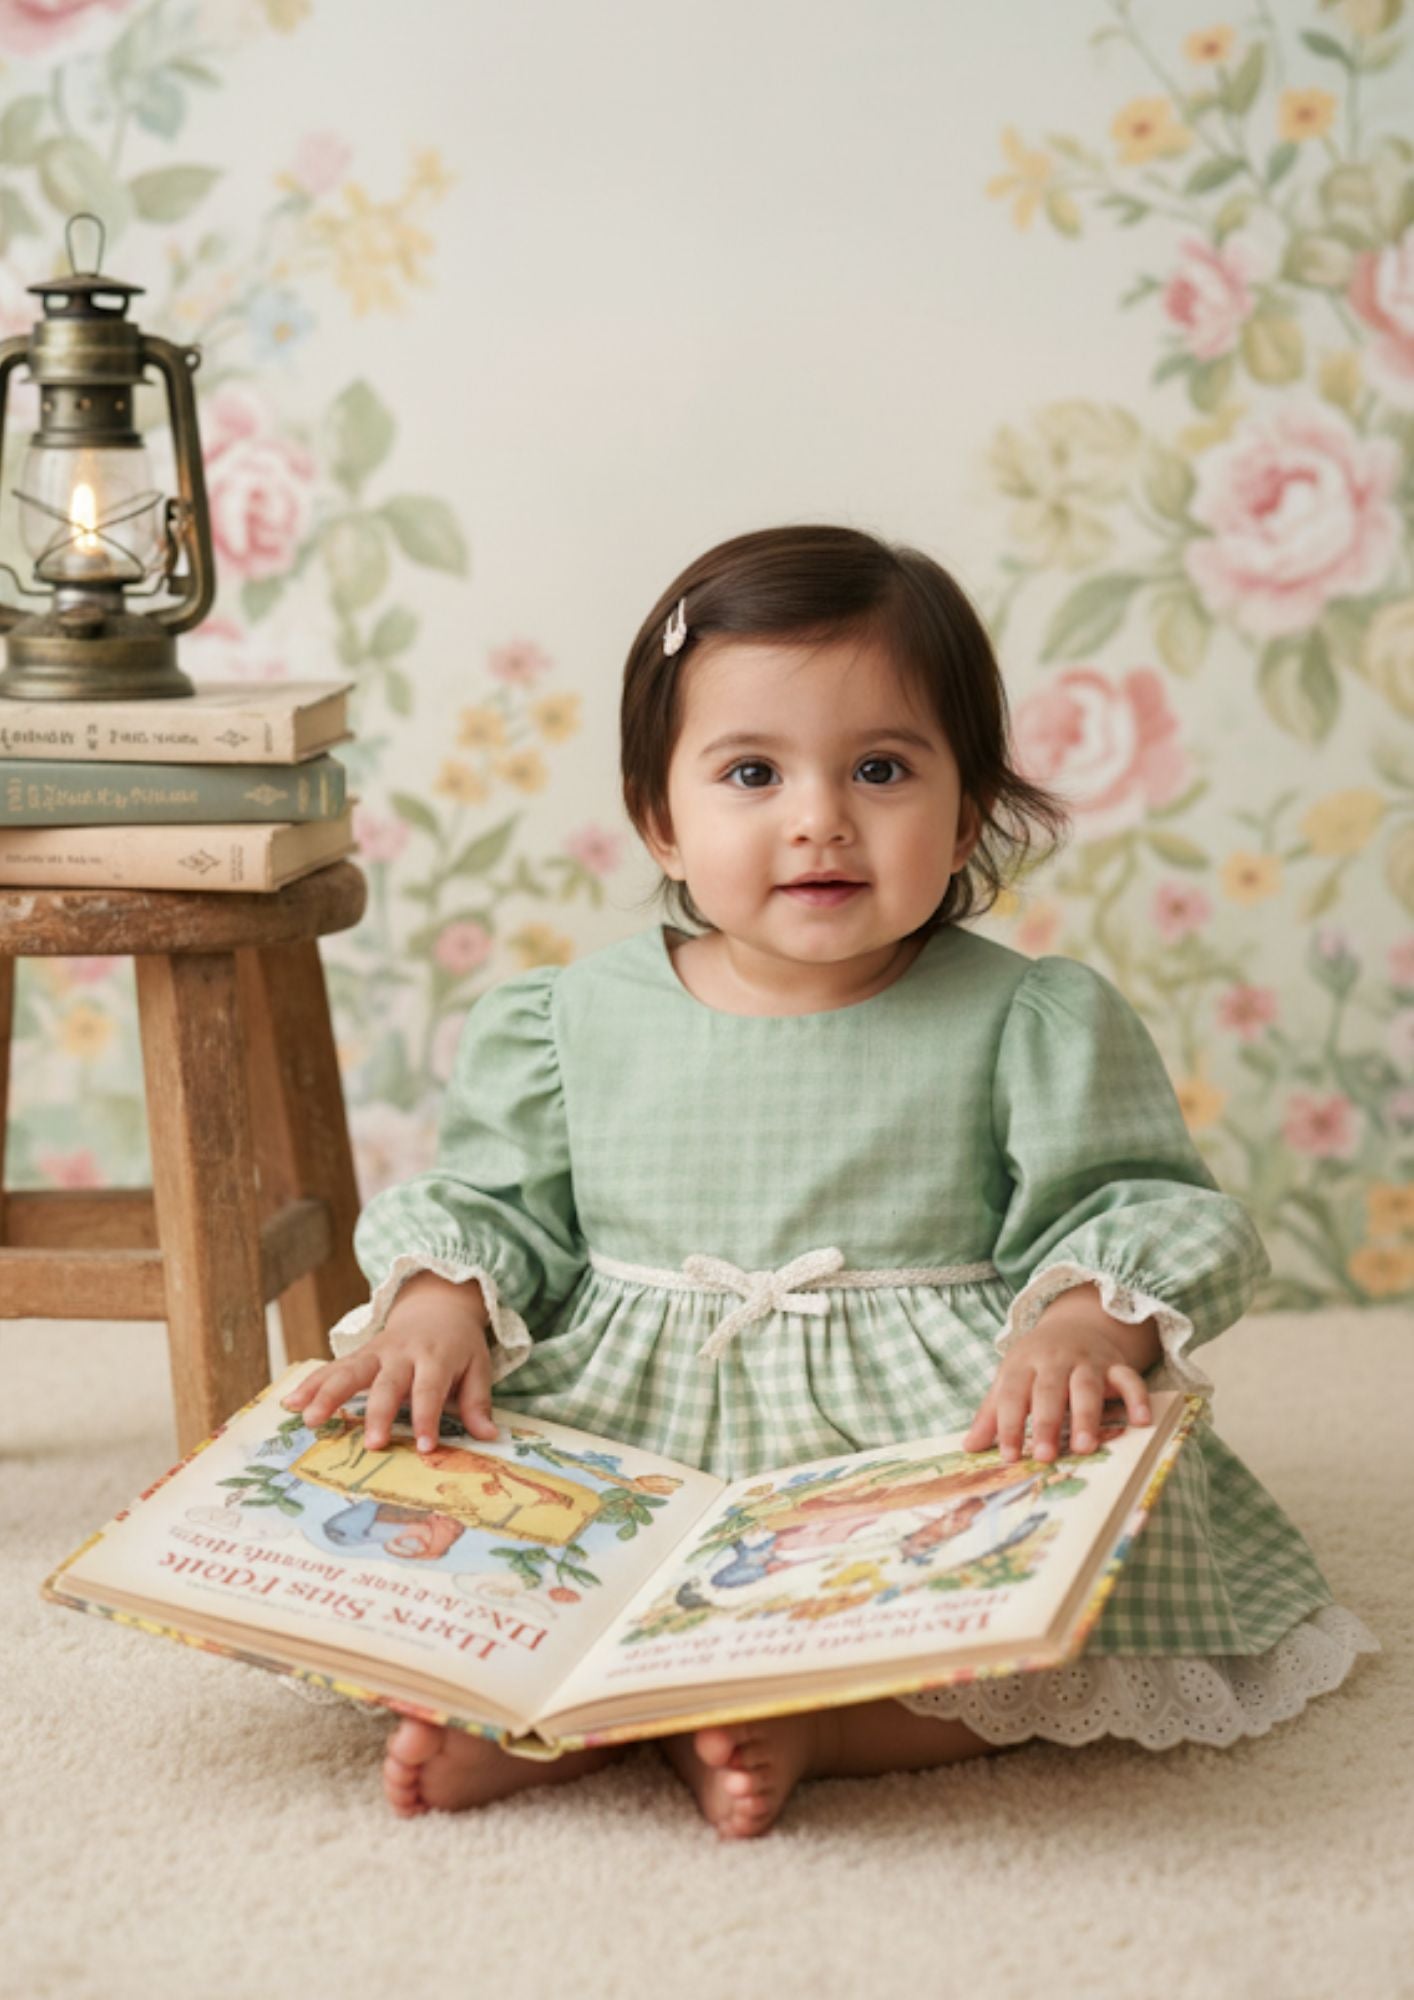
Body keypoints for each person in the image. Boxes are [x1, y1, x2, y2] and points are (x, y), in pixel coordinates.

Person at [284, 524, 1378, 1838]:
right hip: (635, 1414)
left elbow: (1135, 1204)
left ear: (965, 812)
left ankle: (824, 1725)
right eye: (751, 771)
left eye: (879, 768)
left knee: (1084, 1564)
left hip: (919, 1430)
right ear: (661, 823)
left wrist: (1083, 1326)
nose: (819, 818)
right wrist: (436, 1308)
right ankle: (549, 1713)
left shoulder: (1028, 1016)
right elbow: (499, 1204)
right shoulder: (566, 1019)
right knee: (457, 1513)